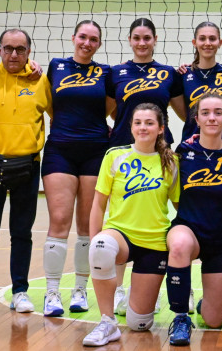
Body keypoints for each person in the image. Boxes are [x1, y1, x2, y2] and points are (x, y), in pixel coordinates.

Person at [82, 103, 180, 347]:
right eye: (138, 123)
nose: (143, 127)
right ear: (131, 127)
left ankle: (137, 302)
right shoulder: (114, 155)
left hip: (155, 242)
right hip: (120, 234)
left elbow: (181, 206)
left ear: (161, 129)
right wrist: (94, 241)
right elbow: (98, 204)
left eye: (149, 123)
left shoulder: (171, 162)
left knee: (139, 324)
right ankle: (107, 321)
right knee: (101, 246)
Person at [0, 29, 52, 315]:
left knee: (21, 232)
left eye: (20, 49)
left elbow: (59, 115)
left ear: (29, 52)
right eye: (8, 48)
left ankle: (20, 291)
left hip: (27, 164)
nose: (14, 54)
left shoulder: (40, 80)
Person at [166, 92, 222, 346]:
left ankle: (207, 303)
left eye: (218, 113)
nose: (212, 118)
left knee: (215, 320)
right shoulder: (183, 150)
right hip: (188, 228)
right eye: (205, 113)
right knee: (179, 245)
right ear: (196, 119)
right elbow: (173, 192)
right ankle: (181, 317)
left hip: (221, 237)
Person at [41, 20, 115, 316]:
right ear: (73, 38)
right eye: (82, 37)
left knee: (87, 225)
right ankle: (51, 293)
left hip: (95, 151)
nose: (87, 43)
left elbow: (109, 107)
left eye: (93, 39)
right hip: (60, 150)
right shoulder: (56, 66)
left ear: (99, 44)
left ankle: (80, 290)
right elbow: (47, 101)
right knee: (59, 220)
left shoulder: (106, 72)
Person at [107, 17, 185, 148]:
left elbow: (185, 116)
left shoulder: (169, 73)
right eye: (136, 38)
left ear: (155, 39)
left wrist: (193, 70)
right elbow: (111, 113)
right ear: (130, 40)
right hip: (123, 144)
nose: (142, 43)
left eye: (147, 38)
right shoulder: (115, 72)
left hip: (159, 145)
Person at [179, 22, 222, 143]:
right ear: (194, 42)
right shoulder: (183, 74)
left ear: (220, 43)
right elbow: (186, 115)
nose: (207, 43)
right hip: (190, 142)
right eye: (202, 39)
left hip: (221, 141)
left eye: (212, 39)